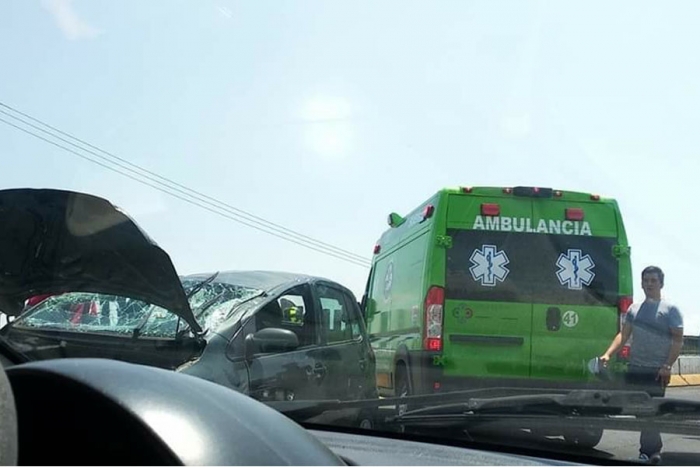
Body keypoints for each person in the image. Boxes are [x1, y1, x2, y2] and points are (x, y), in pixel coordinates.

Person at [600, 265, 684, 465]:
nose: (649, 284)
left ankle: (647, 452)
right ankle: (653, 449)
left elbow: (678, 340)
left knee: (649, 412)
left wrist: (667, 365)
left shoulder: (670, 309)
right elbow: (624, 334)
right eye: (646, 280)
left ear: (661, 283)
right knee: (641, 413)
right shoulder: (634, 309)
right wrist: (608, 354)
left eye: (653, 280)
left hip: (656, 371)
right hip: (635, 367)